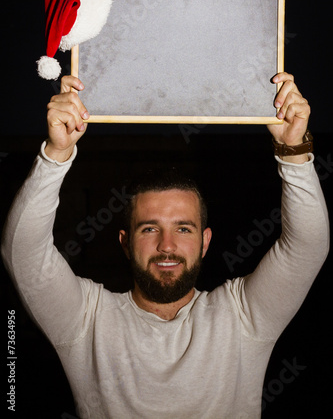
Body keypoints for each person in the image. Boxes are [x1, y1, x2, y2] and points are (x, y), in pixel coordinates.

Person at [1, 72, 329, 419]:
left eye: (184, 229)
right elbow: (22, 252)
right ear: (125, 243)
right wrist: (57, 153)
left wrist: (293, 150)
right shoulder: (86, 319)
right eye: (149, 229)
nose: (167, 245)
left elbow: (307, 247)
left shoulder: (242, 315)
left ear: (205, 242)